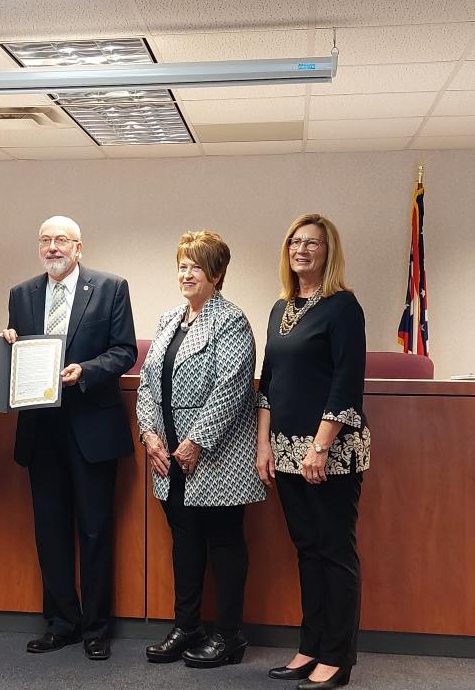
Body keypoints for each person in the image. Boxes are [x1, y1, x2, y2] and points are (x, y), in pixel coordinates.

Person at [2, 215, 137, 661]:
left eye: (62, 240)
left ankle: (97, 627)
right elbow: (21, 354)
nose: (53, 247)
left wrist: (86, 372)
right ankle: (62, 622)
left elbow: (123, 351)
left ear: (80, 247)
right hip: (41, 430)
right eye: (45, 240)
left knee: (95, 530)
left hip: (90, 427)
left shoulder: (110, 287)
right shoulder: (21, 294)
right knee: (50, 531)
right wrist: (9, 344)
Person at [136, 230, 266, 668]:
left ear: (217, 273)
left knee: (225, 543)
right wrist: (149, 435)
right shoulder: (169, 318)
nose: (186, 273)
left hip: (216, 457)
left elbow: (232, 387)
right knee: (185, 542)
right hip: (168, 456)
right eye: (182, 265)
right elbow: (148, 382)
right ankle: (186, 625)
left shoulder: (230, 320)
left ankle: (229, 636)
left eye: (196, 266)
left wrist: (195, 442)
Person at [255, 214, 370, 689]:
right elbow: (270, 383)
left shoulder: (343, 307)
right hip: (283, 451)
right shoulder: (280, 308)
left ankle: (338, 658)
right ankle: (311, 646)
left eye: (313, 243)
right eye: (295, 242)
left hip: (331, 453)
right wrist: (263, 443)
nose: (302, 249)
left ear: (328, 251)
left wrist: (320, 448)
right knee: (307, 552)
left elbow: (346, 385)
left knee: (334, 552)